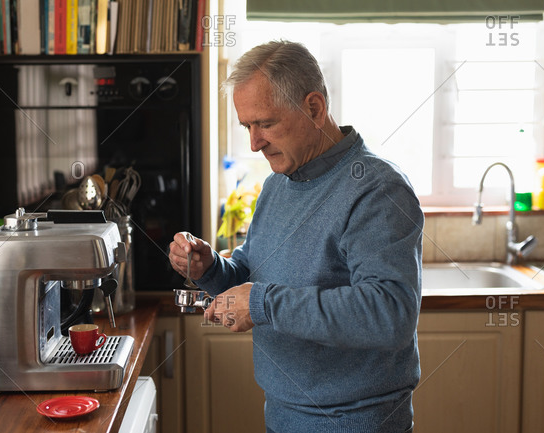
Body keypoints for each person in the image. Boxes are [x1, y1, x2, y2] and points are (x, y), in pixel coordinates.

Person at [169, 40, 423, 433]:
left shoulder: (376, 188)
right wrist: (210, 268)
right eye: (247, 127)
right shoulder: (278, 183)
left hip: (354, 423)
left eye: (265, 124)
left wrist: (262, 303)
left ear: (315, 108)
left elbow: (389, 313)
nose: (254, 143)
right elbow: (254, 276)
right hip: (282, 415)